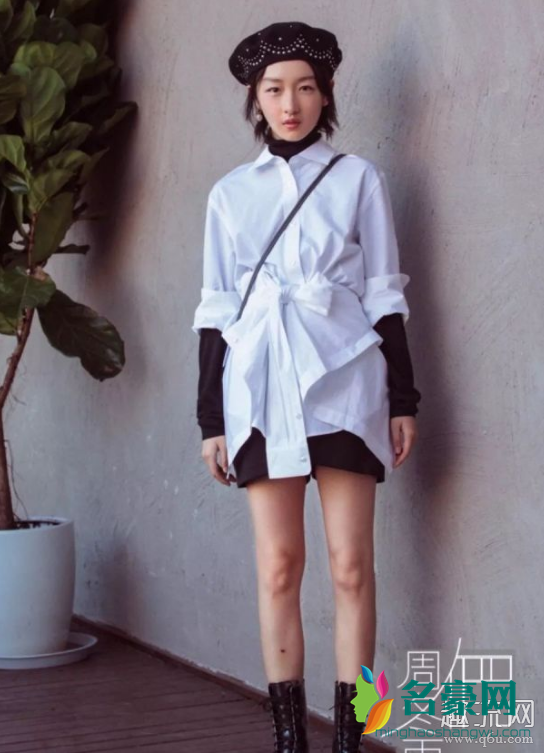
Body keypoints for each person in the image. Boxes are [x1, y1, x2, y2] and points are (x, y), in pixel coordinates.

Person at [191, 21, 421, 753]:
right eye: (274, 90)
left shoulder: (358, 179)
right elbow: (216, 310)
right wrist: (211, 418)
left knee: (353, 568)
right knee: (278, 566)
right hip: (260, 392)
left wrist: (404, 399)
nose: (290, 104)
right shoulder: (230, 194)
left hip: (346, 384)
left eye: (305, 88)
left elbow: (385, 293)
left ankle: (354, 738)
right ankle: (291, 742)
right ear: (256, 99)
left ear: (325, 94)